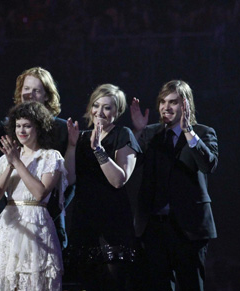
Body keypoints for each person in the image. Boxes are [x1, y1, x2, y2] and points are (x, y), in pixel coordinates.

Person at [0, 60, 74, 251]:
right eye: (26, 88)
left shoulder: (61, 129)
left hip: (48, 216)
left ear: (47, 96)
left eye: (36, 90)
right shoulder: (13, 127)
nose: (29, 94)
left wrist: (56, 210)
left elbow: (68, 179)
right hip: (15, 221)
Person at [130, 80, 218, 290]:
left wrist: (188, 132)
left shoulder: (203, 132)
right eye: (162, 101)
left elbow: (208, 165)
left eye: (172, 102)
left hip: (190, 228)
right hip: (154, 228)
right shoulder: (151, 134)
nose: (165, 107)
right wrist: (138, 132)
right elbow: (131, 166)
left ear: (186, 105)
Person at [65, 84, 141, 290]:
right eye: (96, 106)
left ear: (117, 112)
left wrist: (99, 150)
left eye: (107, 108)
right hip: (84, 220)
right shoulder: (81, 137)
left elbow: (118, 180)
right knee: (85, 282)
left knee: (113, 282)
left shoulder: (123, 134)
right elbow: (69, 179)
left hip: (112, 222)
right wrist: (72, 146)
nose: (100, 112)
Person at [0, 101, 67, 291]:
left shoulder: (50, 157)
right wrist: (10, 164)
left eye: (27, 126)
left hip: (36, 226)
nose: (21, 130)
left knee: (35, 281)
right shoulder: (6, 159)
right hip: (11, 226)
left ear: (38, 128)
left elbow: (39, 193)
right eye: (18, 126)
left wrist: (17, 161)